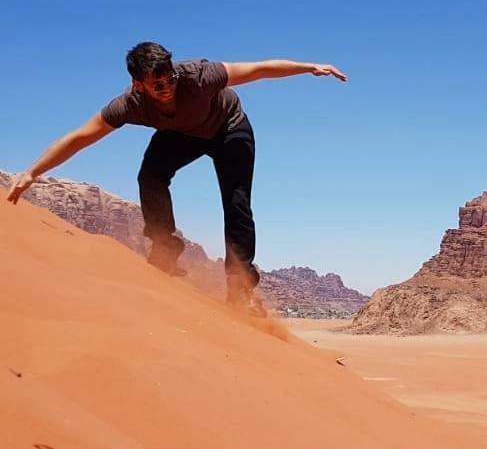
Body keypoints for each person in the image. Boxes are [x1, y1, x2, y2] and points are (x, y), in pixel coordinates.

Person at [5, 42, 347, 307]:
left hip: (229, 128)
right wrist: (33, 172)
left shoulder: (199, 76)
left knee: (236, 203)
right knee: (150, 175)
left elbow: (257, 69)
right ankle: (165, 249)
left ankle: (240, 286)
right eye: (157, 84)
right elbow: (81, 136)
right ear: (138, 85)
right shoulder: (128, 105)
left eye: (169, 79)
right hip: (182, 134)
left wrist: (309, 67)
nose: (167, 87)